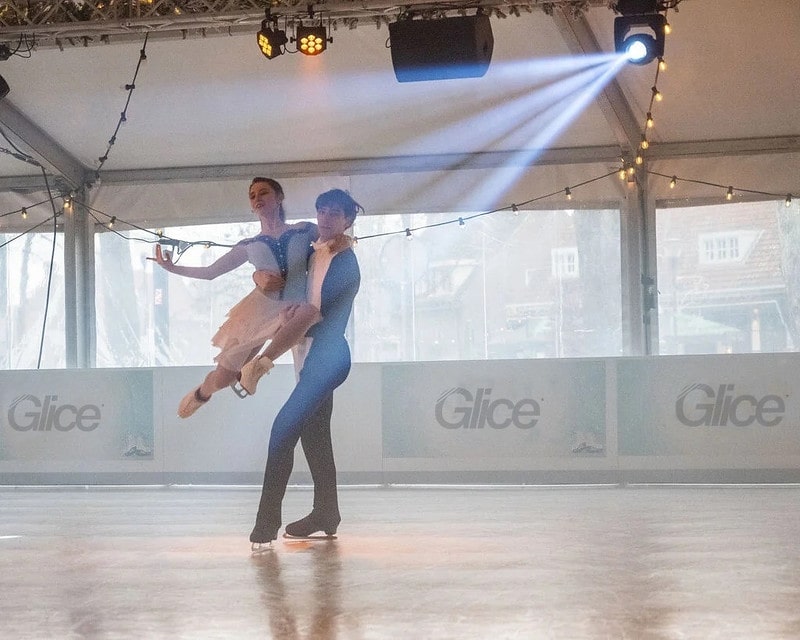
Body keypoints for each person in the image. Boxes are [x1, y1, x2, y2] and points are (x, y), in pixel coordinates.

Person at [248, 188, 362, 550]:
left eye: (334, 214)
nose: (325, 218)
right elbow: (290, 290)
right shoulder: (315, 253)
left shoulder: (346, 263)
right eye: (321, 211)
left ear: (347, 221)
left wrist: (265, 358)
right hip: (308, 356)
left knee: (283, 429)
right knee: (316, 439)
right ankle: (326, 513)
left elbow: (312, 314)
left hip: (329, 357)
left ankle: (266, 524)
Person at [153, 177, 318, 418]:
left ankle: (257, 369)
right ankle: (202, 392)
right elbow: (211, 272)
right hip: (258, 310)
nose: (258, 198)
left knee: (293, 331)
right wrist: (173, 269)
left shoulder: (304, 229)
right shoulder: (249, 244)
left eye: (263, 193)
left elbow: (329, 234)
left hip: (294, 309)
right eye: (253, 196)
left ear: (279, 197)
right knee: (225, 376)